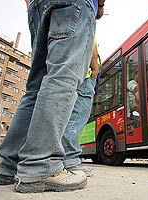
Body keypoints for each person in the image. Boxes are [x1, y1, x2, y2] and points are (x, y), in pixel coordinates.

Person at [0, 0, 106, 193]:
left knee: (35, 89)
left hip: (38, 6)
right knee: (62, 79)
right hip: (73, 4)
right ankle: (40, 166)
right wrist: (100, 5)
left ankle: (8, 166)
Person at [62, 38, 101, 177]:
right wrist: (95, 68)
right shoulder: (87, 20)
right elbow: (90, 44)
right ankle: (70, 159)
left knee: (70, 117)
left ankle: (64, 158)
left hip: (75, 75)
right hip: (86, 78)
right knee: (77, 116)